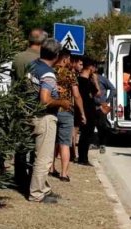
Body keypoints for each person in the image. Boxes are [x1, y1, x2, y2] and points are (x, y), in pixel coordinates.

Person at [27, 38, 69, 204]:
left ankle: (43, 188)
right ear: (57, 55)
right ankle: (37, 193)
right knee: (43, 158)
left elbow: (35, 88)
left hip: (29, 113)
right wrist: (62, 102)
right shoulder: (48, 73)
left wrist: (53, 89)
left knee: (35, 155)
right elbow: (44, 100)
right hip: (44, 117)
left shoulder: (32, 65)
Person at [12, 28, 46, 190]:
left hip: (19, 104)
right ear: (43, 42)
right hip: (36, 107)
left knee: (20, 144)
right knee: (37, 147)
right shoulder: (42, 60)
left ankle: (19, 176)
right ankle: (33, 180)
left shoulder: (17, 57)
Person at [50, 50, 85, 182]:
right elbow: (76, 95)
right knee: (65, 143)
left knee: (52, 141)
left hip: (52, 108)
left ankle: (51, 168)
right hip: (66, 111)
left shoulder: (50, 71)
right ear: (65, 59)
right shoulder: (70, 74)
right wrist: (82, 112)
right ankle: (64, 174)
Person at [76, 58, 99, 166]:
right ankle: (82, 158)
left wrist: (94, 81)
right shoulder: (82, 81)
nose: (95, 70)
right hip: (86, 111)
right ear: (90, 67)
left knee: (87, 135)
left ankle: (83, 157)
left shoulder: (86, 81)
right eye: (94, 67)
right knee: (85, 136)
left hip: (89, 111)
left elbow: (96, 93)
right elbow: (97, 93)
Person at [94, 65, 116, 154]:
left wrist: (107, 101)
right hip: (90, 105)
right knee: (91, 125)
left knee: (101, 126)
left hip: (101, 107)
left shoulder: (102, 79)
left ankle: (102, 144)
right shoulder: (87, 78)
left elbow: (113, 89)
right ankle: (93, 143)